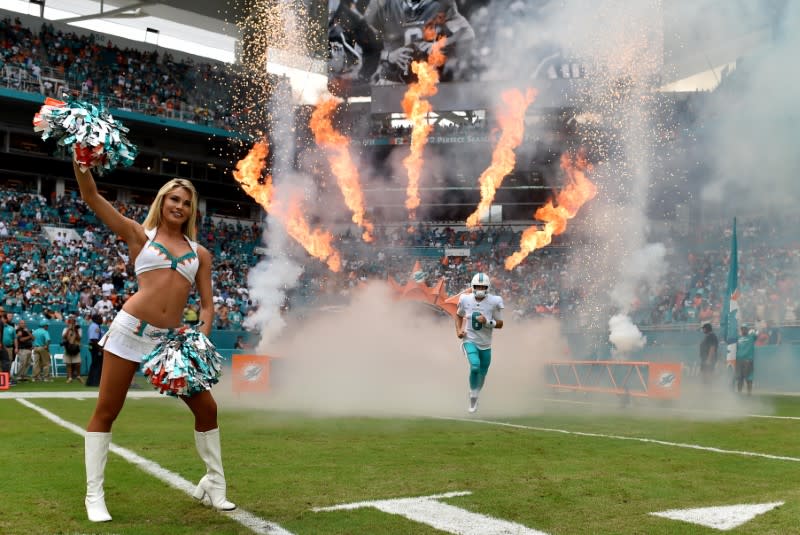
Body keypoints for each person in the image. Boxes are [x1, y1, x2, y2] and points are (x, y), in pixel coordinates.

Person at [73, 160, 234, 523]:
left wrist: (199, 340)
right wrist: (81, 162)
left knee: (207, 409)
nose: (179, 206)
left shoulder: (200, 253)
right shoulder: (138, 235)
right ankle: (94, 495)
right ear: (162, 202)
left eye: (186, 202)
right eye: (173, 199)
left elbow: (207, 305)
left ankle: (214, 483)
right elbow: (91, 195)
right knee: (107, 410)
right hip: (129, 332)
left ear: (192, 210)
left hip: (170, 345)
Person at [455, 272, 504, 413]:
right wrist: (458, 331)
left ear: (487, 287)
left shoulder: (494, 301)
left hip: (486, 344)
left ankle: (476, 395)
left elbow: (500, 324)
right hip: (469, 340)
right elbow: (458, 316)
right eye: (477, 286)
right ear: (472, 286)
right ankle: (472, 394)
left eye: (483, 287)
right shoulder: (465, 299)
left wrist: (488, 322)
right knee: (475, 366)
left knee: (483, 373)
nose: (480, 289)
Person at [735, 325, 757, 396]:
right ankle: (739, 393)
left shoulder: (751, 337)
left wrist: (754, 328)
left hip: (748, 360)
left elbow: (756, 334)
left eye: (745, 328)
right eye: (742, 329)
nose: (743, 330)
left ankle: (749, 394)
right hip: (739, 360)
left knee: (749, 378)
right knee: (739, 378)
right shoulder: (738, 338)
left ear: (747, 329)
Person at [62, 315, 83, 383]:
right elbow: (64, 337)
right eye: (70, 321)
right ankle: (70, 377)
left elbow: (79, 338)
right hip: (68, 347)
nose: (72, 323)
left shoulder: (79, 329)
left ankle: (78, 376)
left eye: (73, 321)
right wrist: (69, 329)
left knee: (78, 363)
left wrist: (75, 330)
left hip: (76, 347)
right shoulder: (65, 329)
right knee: (68, 363)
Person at [85, 314, 103, 387]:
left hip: (96, 346)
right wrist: (100, 349)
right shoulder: (94, 326)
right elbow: (94, 339)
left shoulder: (97, 326)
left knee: (97, 364)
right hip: (95, 347)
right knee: (96, 364)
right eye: (100, 318)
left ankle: (92, 381)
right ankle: (94, 382)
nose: (102, 319)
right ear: (96, 319)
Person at [13, 318, 34, 382]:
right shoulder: (17, 331)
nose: (23, 324)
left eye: (24, 323)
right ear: (19, 324)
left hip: (29, 349)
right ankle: (19, 376)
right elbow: (21, 339)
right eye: (21, 323)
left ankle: (24, 376)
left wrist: (28, 332)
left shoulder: (28, 330)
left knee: (28, 363)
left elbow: (33, 338)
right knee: (23, 363)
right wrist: (29, 336)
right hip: (22, 349)